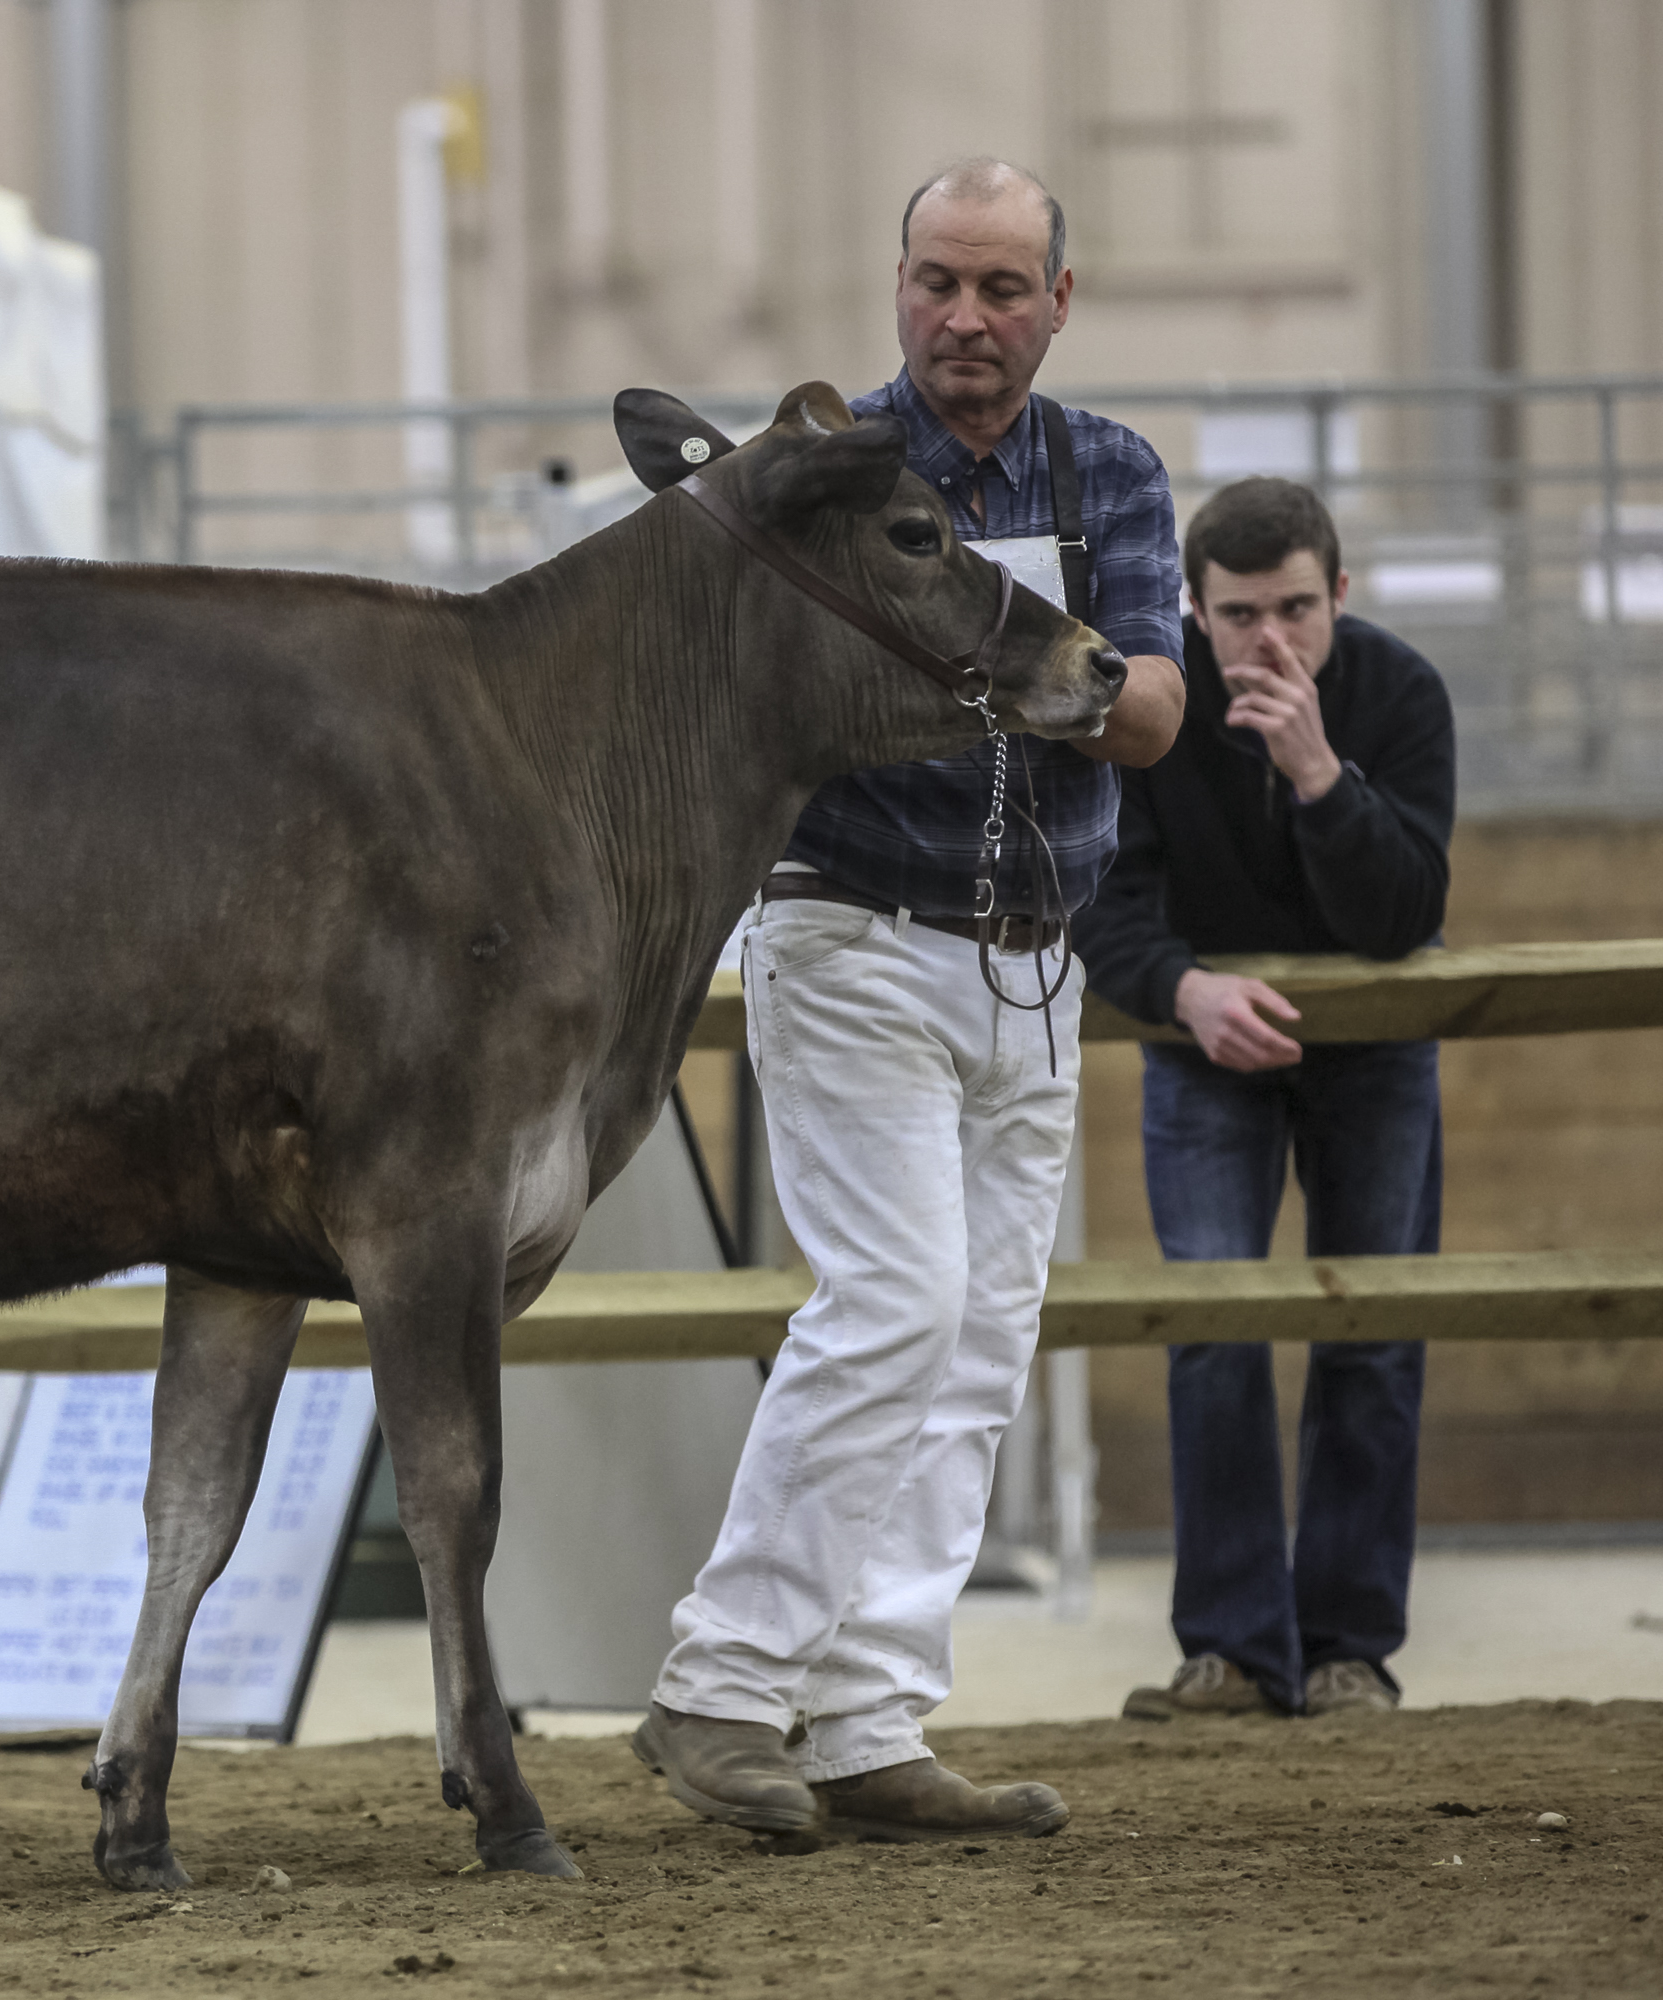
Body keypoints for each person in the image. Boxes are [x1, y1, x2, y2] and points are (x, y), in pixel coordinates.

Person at [636, 158, 1185, 1843]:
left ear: (1057, 304)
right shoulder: (827, 471)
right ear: (898, 286)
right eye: (938, 280)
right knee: (898, 1301)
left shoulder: (1111, 472)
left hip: (1035, 955)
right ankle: (724, 1685)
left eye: (1002, 287)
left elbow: (1158, 711)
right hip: (854, 925)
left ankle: (868, 1713)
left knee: (978, 1340)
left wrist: (1030, 672)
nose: (964, 316)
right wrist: (1031, 668)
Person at [1075, 477, 1455, 1722]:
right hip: (1205, 1044)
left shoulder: (1400, 692)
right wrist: (1182, 991)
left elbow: (1404, 914)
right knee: (1213, 1330)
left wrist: (1317, 772)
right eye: (1239, 615)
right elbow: (1104, 899)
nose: (1270, 640)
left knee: (1373, 1335)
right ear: (1193, 607)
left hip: (1376, 1047)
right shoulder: (1155, 704)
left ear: (1339, 591)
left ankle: (1349, 1648)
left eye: (1295, 608)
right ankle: (1234, 1649)